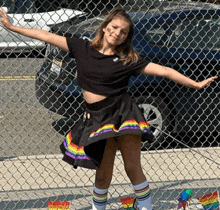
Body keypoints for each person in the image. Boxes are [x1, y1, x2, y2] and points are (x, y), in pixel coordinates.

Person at [0, 7, 217, 210]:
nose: (117, 34)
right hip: (97, 119)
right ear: (105, 27)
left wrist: (195, 84)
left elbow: (165, 71)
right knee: (103, 174)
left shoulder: (127, 59)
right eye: (113, 28)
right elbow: (46, 36)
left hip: (123, 115)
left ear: (126, 37)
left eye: (123, 32)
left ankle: (146, 207)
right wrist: (12, 27)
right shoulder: (82, 48)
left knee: (132, 169)